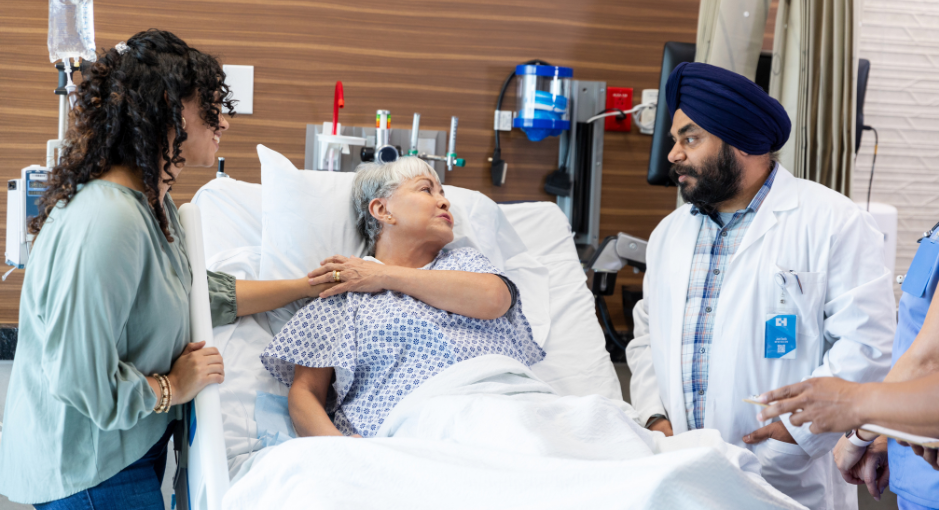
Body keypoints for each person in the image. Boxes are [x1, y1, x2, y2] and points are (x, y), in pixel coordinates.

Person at [0, 30, 329, 508]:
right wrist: (174, 387)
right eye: (211, 108)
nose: (226, 124)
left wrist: (305, 286)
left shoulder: (153, 201)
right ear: (165, 106)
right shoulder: (109, 219)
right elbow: (79, 378)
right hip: (89, 470)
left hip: (128, 450)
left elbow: (197, 292)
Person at [626, 62, 896, 510]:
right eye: (675, 140)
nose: (673, 155)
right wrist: (654, 417)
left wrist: (796, 435)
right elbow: (645, 339)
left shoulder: (832, 221)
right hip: (679, 472)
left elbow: (867, 343)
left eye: (689, 139)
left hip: (789, 478)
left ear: (742, 141)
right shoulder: (668, 235)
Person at [260, 157, 546, 437]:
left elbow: (494, 299)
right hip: (414, 424)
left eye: (443, 193)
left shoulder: (465, 263)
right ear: (382, 209)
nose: (445, 202)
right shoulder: (343, 295)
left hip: (513, 403)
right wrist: (342, 450)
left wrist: (384, 276)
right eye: (426, 189)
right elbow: (305, 392)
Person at [757, 221, 939, 509]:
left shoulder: (841, 221)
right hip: (918, 472)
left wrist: (860, 430)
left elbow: (927, 361)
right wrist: (886, 432)